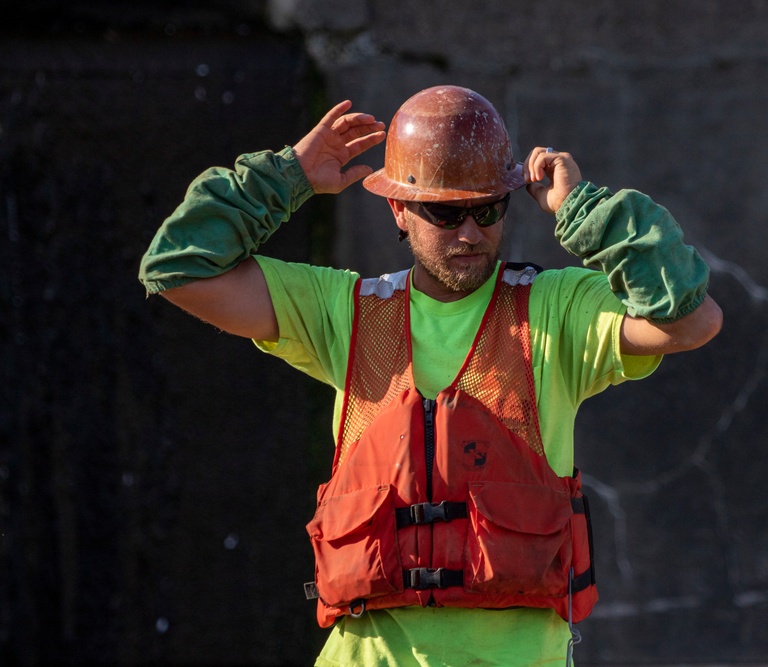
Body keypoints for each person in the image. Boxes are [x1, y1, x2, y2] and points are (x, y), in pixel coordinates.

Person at [139, 84, 722, 667]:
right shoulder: (343, 312)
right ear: (397, 208)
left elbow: (692, 320)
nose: (470, 233)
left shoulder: (556, 310)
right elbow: (177, 267)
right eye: (445, 213)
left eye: (488, 209)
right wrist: (284, 178)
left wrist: (585, 213)